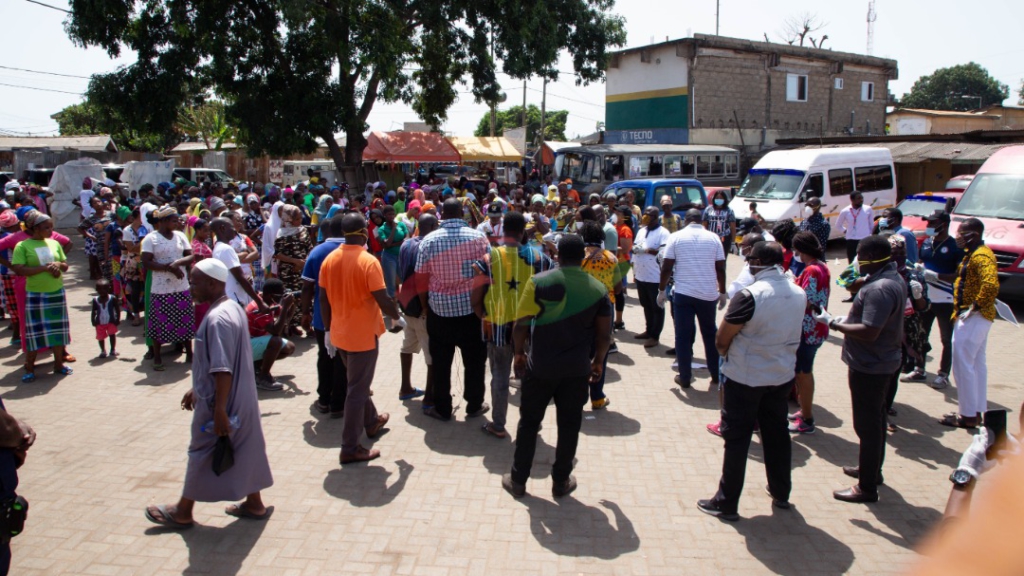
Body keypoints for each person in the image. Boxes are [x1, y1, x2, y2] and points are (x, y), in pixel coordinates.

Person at [144, 258, 274, 529]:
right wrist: (197, 385)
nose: (190, 286)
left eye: (195, 281)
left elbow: (222, 368)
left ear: (214, 284)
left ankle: (182, 511)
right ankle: (254, 503)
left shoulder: (217, 319)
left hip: (222, 400)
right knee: (246, 448)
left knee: (201, 451)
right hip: (242, 398)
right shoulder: (232, 308)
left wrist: (219, 411)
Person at [696, 242, 806, 520]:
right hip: (781, 375)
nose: (747, 264)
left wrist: (727, 355)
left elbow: (722, 339)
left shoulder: (750, 295)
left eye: (749, 259)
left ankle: (726, 502)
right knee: (777, 433)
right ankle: (781, 491)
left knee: (736, 438)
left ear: (760, 262)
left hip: (746, 376)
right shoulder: (798, 292)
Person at [502, 233, 612, 498]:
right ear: (583, 257)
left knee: (529, 423)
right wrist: (597, 362)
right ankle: (560, 481)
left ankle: (518, 481)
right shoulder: (597, 289)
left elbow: (521, 324)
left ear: (557, 255)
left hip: (539, 367)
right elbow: (604, 335)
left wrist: (518, 354)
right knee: (570, 425)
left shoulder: (539, 281)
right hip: (576, 371)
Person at [821, 235, 906, 503]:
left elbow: (869, 331)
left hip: (870, 364)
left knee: (867, 426)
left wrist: (833, 324)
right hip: (882, 359)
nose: (856, 260)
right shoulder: (890, 279)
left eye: (860, 255)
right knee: (877, 420)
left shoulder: (879, 288)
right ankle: (872, 470)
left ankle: (866, 488)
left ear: (870, 258)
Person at [319, 213, 401, 464]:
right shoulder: (368, 261)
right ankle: (350, 447)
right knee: (356, 390)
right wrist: (397, 316)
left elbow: (322, 298)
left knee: (358, 383)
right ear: (364, 232)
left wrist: (328, 330)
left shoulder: (329, 259)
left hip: (341, 334)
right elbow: (382, 298)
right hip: (362, 336)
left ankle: (372, 421)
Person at [472, 212, 551, 438]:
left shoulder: (489, 258)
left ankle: (498, 425)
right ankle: (532, 423)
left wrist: (482, 315)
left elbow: (475, 297)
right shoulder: (540, 259)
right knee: (530, 379)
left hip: (497, 329)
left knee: (499, 376)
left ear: (504, 231)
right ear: (522, 232)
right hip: (531, 331)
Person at [415, 198, 491, 422]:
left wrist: (424, 306)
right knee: (475, 362)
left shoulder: (429, 240)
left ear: (442, 214)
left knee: (440, 363)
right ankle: (474, 405)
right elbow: (489, 272)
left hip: (439, 312)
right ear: (462, 212)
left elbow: (420, 279)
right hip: (472, 312)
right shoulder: (478, 237)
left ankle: (443, 408)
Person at [940, 218, 998, 429]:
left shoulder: (981, 256)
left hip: (973, 317)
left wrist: (975, 306)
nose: (958, 237)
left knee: (963, 366)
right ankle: (976, 411)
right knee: (976, 365)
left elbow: (990, 284)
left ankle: (967, 416)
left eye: (962, 232)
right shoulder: (974, 254)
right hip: (977, 317)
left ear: (973, 234)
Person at [659, 209, 726, 389]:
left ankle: (685, 377)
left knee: (683, 336)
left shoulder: (676, 237)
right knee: (710, 334)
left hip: (684, 294)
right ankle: (716, 374)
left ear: (686, 220)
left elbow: (666, 267)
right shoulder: (713, 238)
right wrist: (723, 292)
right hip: (708, 294)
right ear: (702, 220)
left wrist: (661, 290)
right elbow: (721, 268)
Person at [10, 211, 73, 382]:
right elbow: (19, 269)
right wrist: (45, 268)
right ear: (35, 228)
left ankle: (58, 364)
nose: (50, 230)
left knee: (59, 332)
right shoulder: (23, 246)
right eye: (46, 227)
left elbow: (65, 265)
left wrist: (58, 264)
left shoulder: (54, 243)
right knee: (34, 333)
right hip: (36, 294)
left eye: (51, 227)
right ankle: (29, 367)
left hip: (56, 292)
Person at [300, 216, 348, 418]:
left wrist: (304, 312)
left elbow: (307, 287)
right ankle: (339, 402)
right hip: (348, 318)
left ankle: (324, 399)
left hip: (322, 318)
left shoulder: (317, 252)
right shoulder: (357, 251)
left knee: (325, 356)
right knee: (344, 360)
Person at [913, 211, 965, 388]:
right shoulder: (927, 242)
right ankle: (919, 369)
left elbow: (957, 275)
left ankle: (943, 374)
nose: (929, 227)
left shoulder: (955, 247)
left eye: (933, 223)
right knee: (921, 334)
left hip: (945, 299)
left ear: (943, 224)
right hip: (926, 298)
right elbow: (921, 262)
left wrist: (935, 276)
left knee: (946, 339)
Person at [141, 206, 195, 371]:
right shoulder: (151, 239)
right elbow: (147, 262)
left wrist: (177, 263)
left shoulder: (180, 236)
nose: (178, 222)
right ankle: (157, 357)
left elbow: (191, 255)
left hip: (181, 285)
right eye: (174, 220)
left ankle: (189, 353)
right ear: (163, 221)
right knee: (159, 322)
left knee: (184, 319)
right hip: (161, 288)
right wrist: (168, 267)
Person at [788, 232, 831, 435]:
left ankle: (807, 418)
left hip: (808, 329)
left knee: (803, 373)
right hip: (814, 329)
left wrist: (792, 286)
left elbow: (807, 299)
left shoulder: (813, 270)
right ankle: (803, 411)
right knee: (802, 371)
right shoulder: (821, 266)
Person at [396, 214, 438, 406]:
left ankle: (405, 387)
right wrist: (425, 307)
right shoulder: (429, 245)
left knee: (407, 345)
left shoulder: (406, 244)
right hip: (422, 307)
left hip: (406, 304)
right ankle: (430, 398)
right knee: (432, 355)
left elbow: (399, 274)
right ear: (432, 225)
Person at [579, 221, 621, 409]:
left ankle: (577, 396)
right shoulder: (610, 257)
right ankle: (597, 398)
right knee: (600, 353)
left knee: (579, 352)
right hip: (605, 310)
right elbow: (619, 287)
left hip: (581, 309)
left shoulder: (578, 256)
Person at [246, 279, 294, 391]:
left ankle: (256, 368)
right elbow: (276, 331)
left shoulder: (268, 301)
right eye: (280, 295)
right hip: (245, 346)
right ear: (270, 295)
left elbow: (285, 318)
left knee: (289, 347)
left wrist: (291, 306)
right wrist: (285, 306)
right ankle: (263, 377)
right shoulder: (258, 307)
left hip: (255, 341)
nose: (281, 298)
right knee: (276, 341)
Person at [633, 206, 671, 348]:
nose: (646, 217)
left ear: (656, 217)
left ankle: (655, 336)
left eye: (649, 215)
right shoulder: (642, 231)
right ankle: (648, 330)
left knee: (657, 306)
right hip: (641, 274)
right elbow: (636, 245)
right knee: (645, 304)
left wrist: (648, 250)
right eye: (645, 214)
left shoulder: (663, 233)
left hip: (654, 276)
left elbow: (664, 253)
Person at [273, 204, 313, 335]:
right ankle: (290, 326)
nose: (300, 221)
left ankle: (307, 324)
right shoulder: (280, 234)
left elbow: (309, 248)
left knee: (306, 297)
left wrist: (305, 262)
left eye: (301, 218)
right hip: (288, 272)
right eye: (297, 218)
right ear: (288, 219)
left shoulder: (303, 231)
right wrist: (295, 262)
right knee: (290, 299)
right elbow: (277, 254)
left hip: (303, 270)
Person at [376, 205, 408, 299]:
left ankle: (404, 302)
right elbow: (387, 244)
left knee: (405, 279)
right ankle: (392, 305)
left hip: (401, 255)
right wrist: (394, 229)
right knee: (391, 281)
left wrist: (393, 244)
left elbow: (406, 238)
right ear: (384, 215)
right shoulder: (382, 229)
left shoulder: (401, 224)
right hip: (389, 257)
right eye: (389, 214)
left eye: (393, 214)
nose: (392, 216)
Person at [836, 192, 873, 263]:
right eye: (858, 198)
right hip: (851, 240)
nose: (861, 200)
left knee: (865, 261)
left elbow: (871, 224)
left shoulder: (868, 209)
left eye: (862, 198)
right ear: (852, 200)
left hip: (864, 239)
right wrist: (845, 231)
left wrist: (869, 235)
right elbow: (838, 225)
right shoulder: (845, 211)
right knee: (852, 262)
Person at [613, 205, 634, 330]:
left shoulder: (625, 229)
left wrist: (610, 248)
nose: (616, 214)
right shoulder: (615, 226)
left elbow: (626, 248)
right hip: (615, 261)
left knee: (618, 291)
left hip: (621, 263)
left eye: (619, 213)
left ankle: (619, 320)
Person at [702, 190, 737, 259]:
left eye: (721, 198)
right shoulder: (708, 210)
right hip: (711, 238)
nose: (719, 200)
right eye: (717, 198)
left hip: (724, 238)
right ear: (714, 199)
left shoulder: (729, 210)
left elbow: (732, 227)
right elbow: (704, 225)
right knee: (711, 258)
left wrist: (733, 242)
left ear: (724, 199)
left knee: (722, 258)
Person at [91, 278, 120, 359]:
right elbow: (93, 311)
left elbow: (117, 309)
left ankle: (112, 349)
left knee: (112, 335)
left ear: (108, 289)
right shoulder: (95, 300)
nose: (102, 291)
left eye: (104, 289)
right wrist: (93, 320)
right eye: (99, 289)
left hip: (111, 321)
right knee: (100, 337)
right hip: (99, 323)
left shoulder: (112, 298)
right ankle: (103, 350)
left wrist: (117, 319)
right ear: (96, 290)